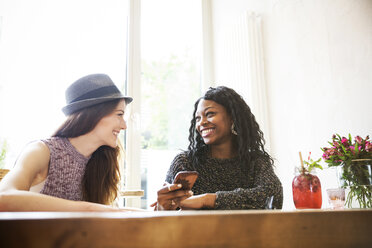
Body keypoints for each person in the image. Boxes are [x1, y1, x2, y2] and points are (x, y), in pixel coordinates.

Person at [0, 74, 141, 211]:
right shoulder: (42, 151)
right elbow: (4, 197)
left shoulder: (102, 161)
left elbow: (111, 213)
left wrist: (159, 213)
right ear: (94, 114)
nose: (124, 126)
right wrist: (88, 209)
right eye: (119, 114)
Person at [153, 86, 283, 210]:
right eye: (198, 118)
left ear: (233, 118)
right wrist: (162, 208)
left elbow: (273, 196)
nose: (201, 123)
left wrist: (207, 200)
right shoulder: (185, 162)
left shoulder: (255, 161)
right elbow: (169, 217)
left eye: (209, 114)